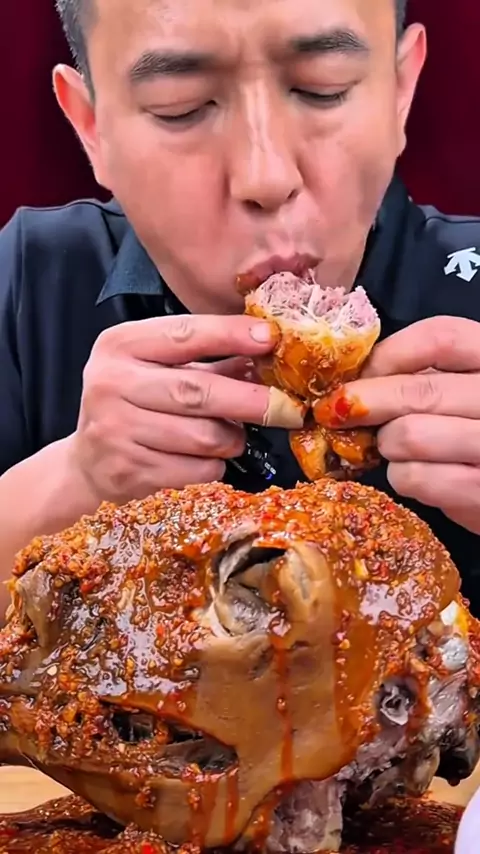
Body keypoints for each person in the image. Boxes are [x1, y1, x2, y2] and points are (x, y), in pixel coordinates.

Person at [1, 0, 480, 619]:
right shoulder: (28, 281)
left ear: (400, 92)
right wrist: (73, 479)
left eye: (324, 89)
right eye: (180, 107)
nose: (266, 176)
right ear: (92, 127)